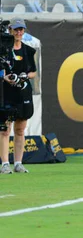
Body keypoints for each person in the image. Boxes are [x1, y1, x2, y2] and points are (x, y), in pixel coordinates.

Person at [0, 19, 37, 175]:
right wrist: (5, 77)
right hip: (7, 93)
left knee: (20, 129)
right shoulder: (3, 50)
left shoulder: (28, 50)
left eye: (21, 29)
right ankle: (5, 163)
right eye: (16, 30)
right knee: (4, 130)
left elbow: (34, 72)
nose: (18, 32)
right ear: (10, 30)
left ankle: (18, 163)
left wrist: (24, 76)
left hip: (23, 92)